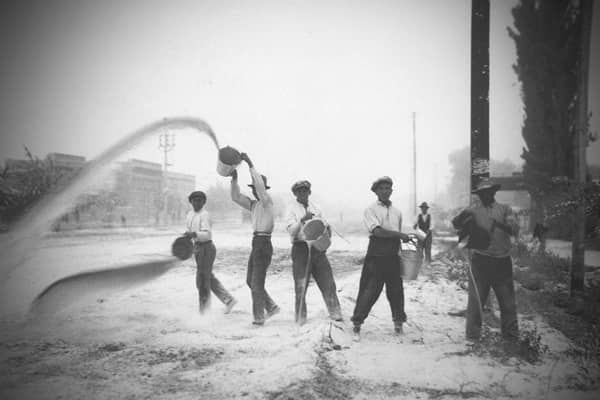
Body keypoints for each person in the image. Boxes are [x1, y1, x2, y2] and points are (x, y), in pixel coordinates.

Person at [457, 178, 520, 341]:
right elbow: (457, 225)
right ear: (479, 195)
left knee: (507, 303)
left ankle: (511, 340)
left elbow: (514, 230)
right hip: (480, 261)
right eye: (481, 193)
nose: (485, 196)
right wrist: (464, 221)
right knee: (476, 302)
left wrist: (497, 224)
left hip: (502, 261)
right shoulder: (473, 210)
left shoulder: (505, 210)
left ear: (494, 193)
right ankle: (472, 339)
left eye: (488, 192)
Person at [351, 176, 410, 341]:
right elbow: (377, 232)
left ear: (391, 190)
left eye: (388, 188)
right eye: (381, 188)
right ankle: (357, 323)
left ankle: (398, 323)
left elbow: (398, 237)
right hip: (376, 255)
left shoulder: (397, 212)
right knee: (369, 290)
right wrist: (399, 235)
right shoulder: (371, 210)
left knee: (396, 291)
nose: (385, 191)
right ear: (376, 191)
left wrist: (403, 248)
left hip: (392, 255)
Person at [230, 153, 280, 326]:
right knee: (250, 281)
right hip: (256, 242)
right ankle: (271, 307)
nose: (254, 191)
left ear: (264, 189)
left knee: (257, 283)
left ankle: (258, 318)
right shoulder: (254, 205)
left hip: (264, 243)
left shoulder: (267, 201)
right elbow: (236, 197)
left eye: (257, 188)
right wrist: (234, 179)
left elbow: (259, 187)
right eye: (252, 189)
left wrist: (250, 163)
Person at [285, 180, 343, 325]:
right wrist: (302, 220)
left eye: (305, 190)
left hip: (317, 248)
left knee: (328, 281)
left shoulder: (316, 207)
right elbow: (291, 230)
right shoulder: (291, 209)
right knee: (301, 284)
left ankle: (335, 312)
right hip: (300, 248)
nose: (302, 193)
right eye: (299, 191)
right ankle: (300, 317)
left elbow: (325, 226)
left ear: (309, 192)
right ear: (295, 194)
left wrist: (327, 235)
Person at [184, 191, 237, 314]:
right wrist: (187, 238)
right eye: (194, 200)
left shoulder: (205, 215)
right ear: (190, 202)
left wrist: (194, 234)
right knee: (207, 277)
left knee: (202, 280)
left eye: (200, 200)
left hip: (206, 248)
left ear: (204, 202)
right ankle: (228, 300)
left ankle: (204, 312)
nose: (197, 203)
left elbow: (207, 234)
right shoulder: (190, 214)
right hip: (197, 247)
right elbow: (188, 230)